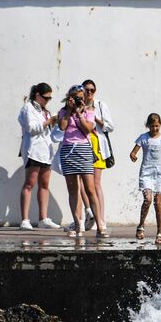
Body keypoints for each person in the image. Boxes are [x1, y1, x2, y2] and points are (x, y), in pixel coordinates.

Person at [55, 85, 105, 239]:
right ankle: (78, 225)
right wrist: (70, 111)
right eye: (76, 98)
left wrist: (79, 114)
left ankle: (100, 226)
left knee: (90, 189)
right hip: (68, 150)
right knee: (73, 189)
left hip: (83, 150)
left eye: (81, 98)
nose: (79, 100)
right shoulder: (63, 112)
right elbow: (62, 127)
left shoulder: (89, 112)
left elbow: (87, 130)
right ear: (69, 98)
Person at [15, 83, 61, 230]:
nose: (48, 101)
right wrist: (48, 121)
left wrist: (56, 123)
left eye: (49, 98)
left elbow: (52, 133)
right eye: (46, 98)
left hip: (46, 152)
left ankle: (43, 218)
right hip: (34, 151)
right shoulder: (27, 108)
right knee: (29, 183)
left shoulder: (45, 111)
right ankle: (25, 220)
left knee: (45, 185)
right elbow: (31, 128)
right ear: (38, 95)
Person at [131, 114, 161, 244]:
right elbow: (133, 152)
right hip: (146, 173)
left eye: (157, 126)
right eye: (152, 126)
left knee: (158, 203)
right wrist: (133, 156)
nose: (154, 128)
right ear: (148, 125)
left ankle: (159, 232)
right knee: (147, 199)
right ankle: (141, 225)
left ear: (160, 125)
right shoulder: (143, 138)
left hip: (159, 174)